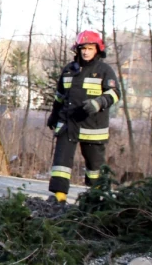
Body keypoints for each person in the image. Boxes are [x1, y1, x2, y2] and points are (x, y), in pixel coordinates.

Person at [45, 30, 120, 203]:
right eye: (83, 48)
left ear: (97, 50)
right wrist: (54, 115)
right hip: (67, 122)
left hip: (93, 126)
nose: (86, 51)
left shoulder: (104, 70)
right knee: (61, 162)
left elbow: (115, 93)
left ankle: (97, 196)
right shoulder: (69, 70)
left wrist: (98, 103)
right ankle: (59, 196)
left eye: (90, 48)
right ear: (78, 50)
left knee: (95, 166)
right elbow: (59, 96)